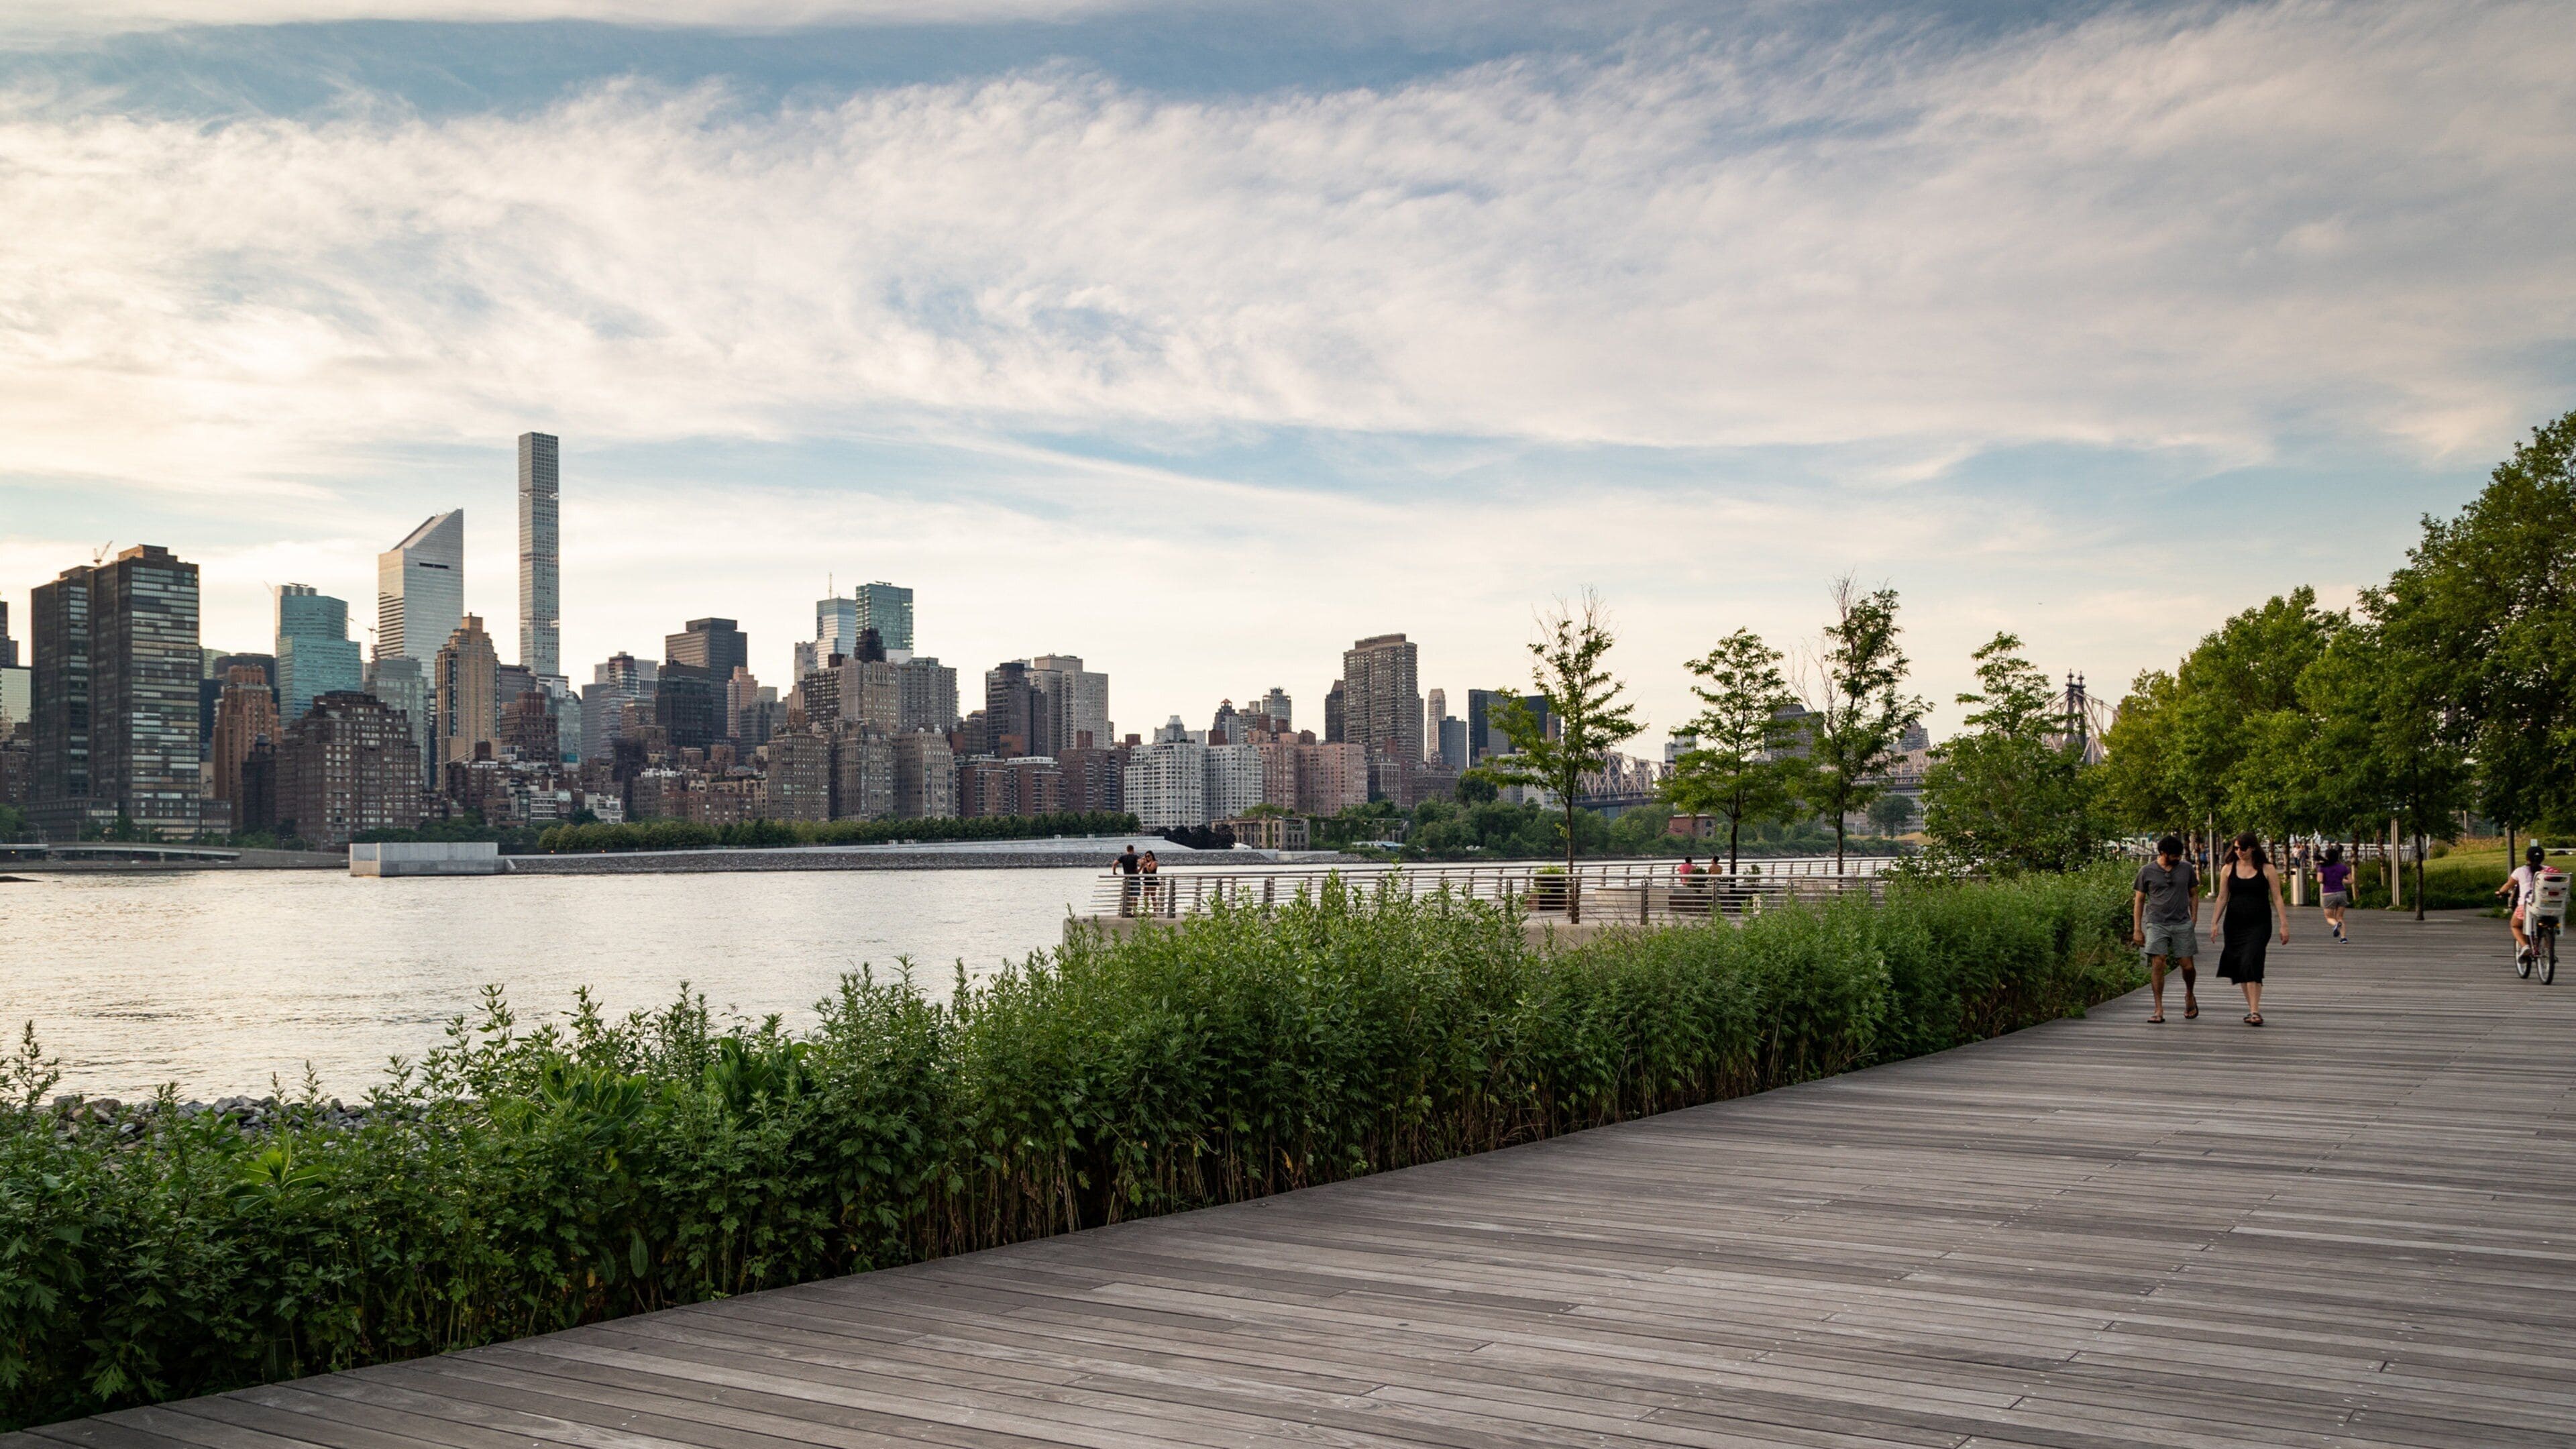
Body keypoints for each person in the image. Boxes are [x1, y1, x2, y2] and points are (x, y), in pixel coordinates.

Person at [2210, 831, 2288, 1026]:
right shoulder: (2228, 869)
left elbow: (2277, 897)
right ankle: (2252, 1009)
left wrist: (2284, 924)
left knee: (2252, 960)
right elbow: (2222, 897)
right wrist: (2214, 923)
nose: (2239, 852)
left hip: (2259, 923)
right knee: (2241, 966)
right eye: (2236, 848)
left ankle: (2255, 1011)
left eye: (2243, 848)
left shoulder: (2267, 868)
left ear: (2252, 848)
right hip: (2234, 923)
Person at [2132, 834, 2200, 1023]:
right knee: (2158, 962)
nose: (2178, 858)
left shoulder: (2186, 868)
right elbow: (2139, 900)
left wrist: (2194, 916)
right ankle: (2158, 1008)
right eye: (2175, 855)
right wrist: (2137, 928)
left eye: (2180, 855)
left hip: (2181, 922)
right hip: (2157, 922)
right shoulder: (2146, 871)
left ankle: (2189, 994)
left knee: (2187, 965)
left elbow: (2194, 894)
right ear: (2163, 853)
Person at [2499, 842, 2548, 968]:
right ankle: (2548, 949)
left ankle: (2525, 946)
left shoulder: (2520, 871)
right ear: (2543, 858)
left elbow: (2508, 886)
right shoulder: (2548, 870)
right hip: (2548, 907)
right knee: (2546, 925)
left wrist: (2500, 892)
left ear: (2527, 858)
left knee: (2515, 925)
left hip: (2527, 907)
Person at [2318, 845, 2353, 943]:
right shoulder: (2343, 867)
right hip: (2342, 893)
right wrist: (2341, 880)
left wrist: (2327, 879)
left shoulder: (2323, 867)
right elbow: (2351, 881)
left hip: (2329, 894)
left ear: (2327, 857)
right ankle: (2343, 938)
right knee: (2340, 917)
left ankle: (2335, 925)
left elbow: (2319, 880)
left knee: (2329, 917)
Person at [1112, 844, 1142, 916]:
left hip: (1127, 878)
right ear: (1133, 850)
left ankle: (1128, 912)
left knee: (1128, 895)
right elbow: (1142, 862)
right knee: (1135, 896)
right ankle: (1135, 912)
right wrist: (1139, 870)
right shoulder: (1135, 857)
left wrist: (1114, 872)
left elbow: (1115, 864)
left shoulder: (1123, 857)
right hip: (1135, 878)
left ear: (1127, 850)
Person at [1139, 849, 1162, 916]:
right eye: (1146, 856)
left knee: (1153, 896)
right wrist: (1143, 865)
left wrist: (1146, 864)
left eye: (1149, 856)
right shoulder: (1147, 863)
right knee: (1145, 896)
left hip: (1152, 881)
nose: (1147, 857)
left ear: (1152, 856)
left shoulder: (1154, 863)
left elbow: (1150, 870)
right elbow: (1143, 872)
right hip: (1146, 880)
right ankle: (1145, 910)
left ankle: (1155, 911)